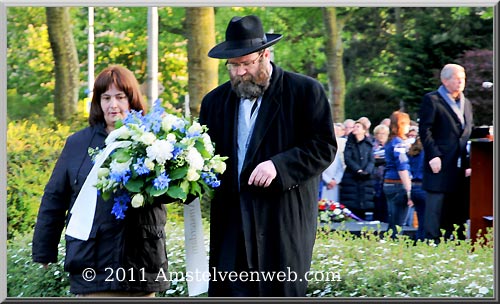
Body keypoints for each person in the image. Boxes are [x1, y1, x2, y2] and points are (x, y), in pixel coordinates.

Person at [199, 15, 336, 297]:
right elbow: (205, 157)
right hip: (231, 229)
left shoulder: (305, 92)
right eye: (232, 65)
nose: (239, 73)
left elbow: (324, 146)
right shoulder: (214, 102)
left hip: (281, 226)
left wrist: (280, 165)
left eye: (246, 63)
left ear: (265, 55)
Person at [32, 65, 169, 297]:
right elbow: (55, 198)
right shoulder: (77, 144)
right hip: (92, 265)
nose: (112, 105)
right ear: (98, 101)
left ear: (131, 100)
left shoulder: (156, 141)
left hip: (141, 263)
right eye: (105, 97)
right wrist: (44, 250)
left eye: (119, 97)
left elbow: (171, 191)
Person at [419, 63, 473, 243]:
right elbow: (425, 130)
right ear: (444, 80)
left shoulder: (467, 104)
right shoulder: (432, 100)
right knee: (435, 208)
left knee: (457, 208)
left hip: (460, 166)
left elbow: (467, 132)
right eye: (457, 79)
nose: (460, 83)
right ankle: (431, 242)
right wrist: (433, 155)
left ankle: (455, 242)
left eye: (463, 79)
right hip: (440, 163)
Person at [383, 111, 414, 238]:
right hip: (398, 184)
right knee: (398, 223)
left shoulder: (390, 141)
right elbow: (402, 166)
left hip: (388, 183)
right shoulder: (399, 143)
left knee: (392, 221)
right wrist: (409, 190)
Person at [339, 120, 375, 219]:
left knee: (365, 205)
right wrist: (358, 170)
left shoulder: (368, 144)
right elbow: (348, 158)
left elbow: (371, 160)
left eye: (357, 127)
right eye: (354, 127)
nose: (354, 129)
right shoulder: (349, 143)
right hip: (352, 177)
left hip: (366, 179)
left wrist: (367, 171)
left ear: (364, 130)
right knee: (351, 205)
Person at [406, 125, 426, 241]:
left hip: (414, 187)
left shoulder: (412, 151)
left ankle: (419, 240)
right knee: (426, 219)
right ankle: (423, 241)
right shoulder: (427, 152)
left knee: (420, 217)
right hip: (424, 186)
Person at [320, 123, 347, 202]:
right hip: (323, 183)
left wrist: (335, 180)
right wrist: (328, 181)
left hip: (334, 184)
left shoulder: (336, 150)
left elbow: (340, 168)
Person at [372, 124, 390, 222]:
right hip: (375, 177)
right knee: (377, 198)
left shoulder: (390, 146)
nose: (381, 136)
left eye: (383, 134)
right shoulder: (372, 146)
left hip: (387, 176)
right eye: (378, 133)